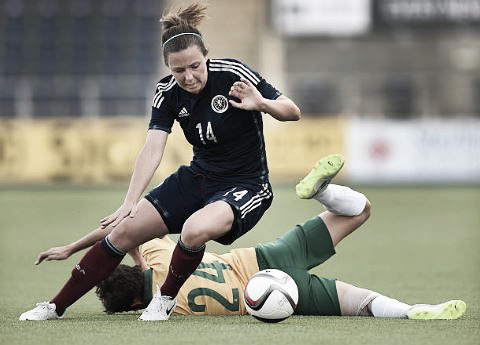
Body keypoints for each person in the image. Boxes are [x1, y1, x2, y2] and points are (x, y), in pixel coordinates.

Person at [18, 2, 301, 321]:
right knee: (122, 232)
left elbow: (292, 111)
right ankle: (55, 307)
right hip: (199, 177)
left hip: (247, 185)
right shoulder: (166, 93)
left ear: (206, 54)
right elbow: (152, 149)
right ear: (168, 67)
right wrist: (129, 201)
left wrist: (262, 103)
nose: (189, 76)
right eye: (178, 70)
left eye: (195, 66)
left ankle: (164, 300)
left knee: (193, 230)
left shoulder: (233, 74)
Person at [20, 155, 466, 320]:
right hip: (267, 256)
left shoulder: (159, 292)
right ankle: (325, 192)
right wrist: (72, 248)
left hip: (272, 296)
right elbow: (121, 233)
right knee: (360, 210)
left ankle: (414, 312)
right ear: (136, 269)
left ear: (136, 303)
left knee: (362, 303)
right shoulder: (156, 257)